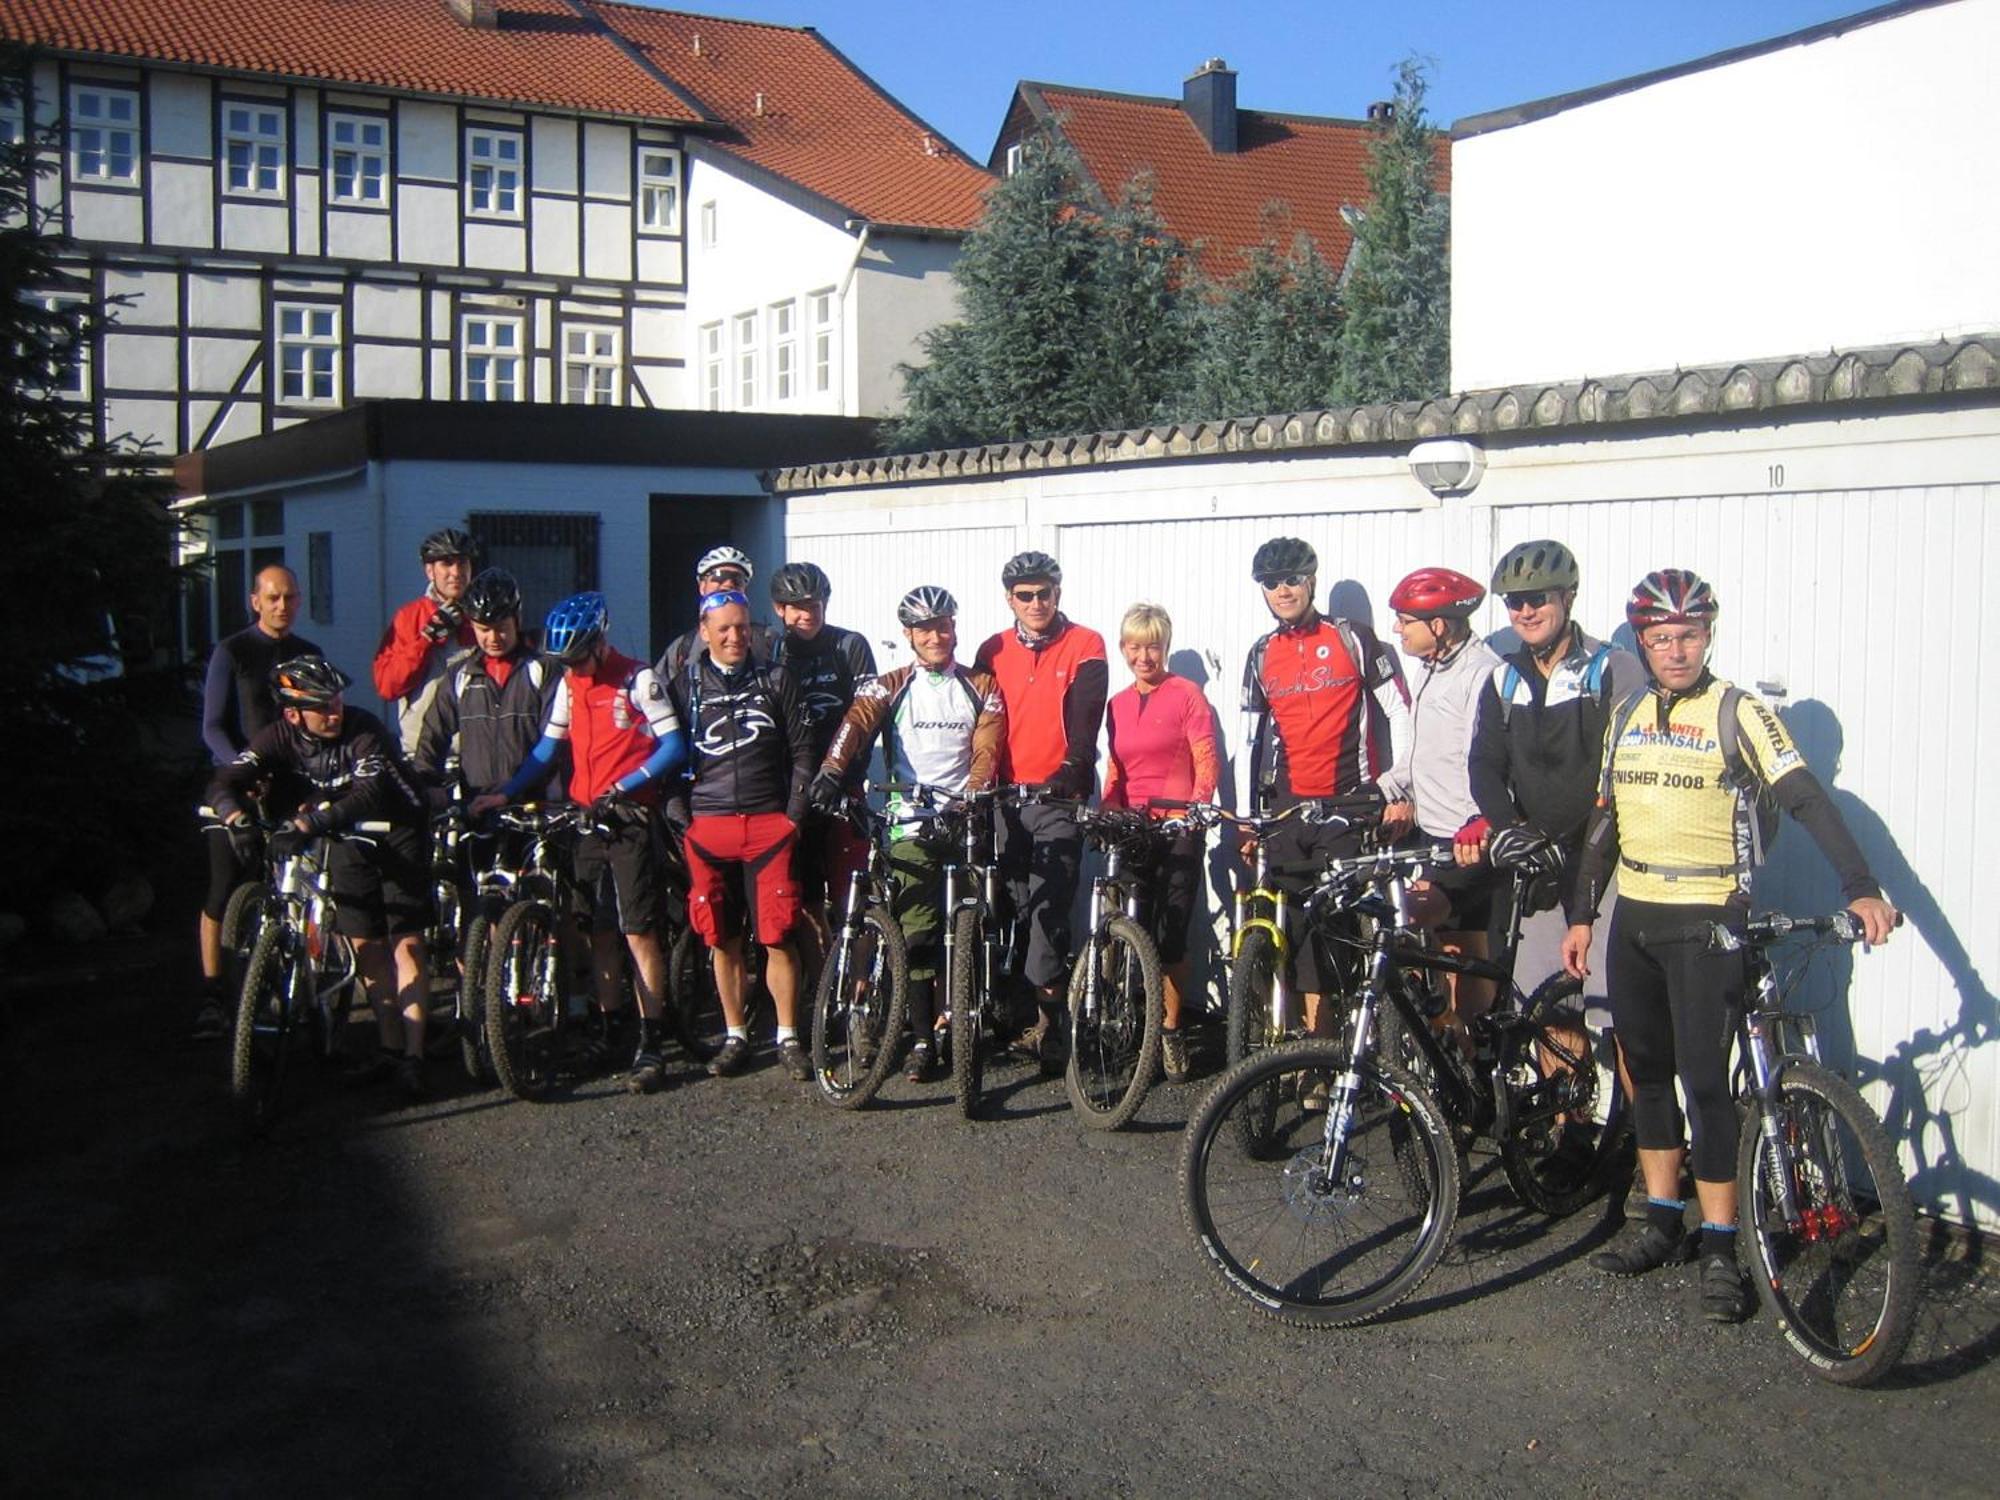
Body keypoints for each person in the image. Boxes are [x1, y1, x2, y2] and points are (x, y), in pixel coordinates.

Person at [1560, 569, 1896, 1323]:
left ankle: (1720, 1245)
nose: (1675, 650)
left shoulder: (1739, 712)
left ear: (1709, 635)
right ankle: (1661, 1223)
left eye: (1689, 635)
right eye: (1660, 638)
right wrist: (1582, 913)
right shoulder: (1627, 711)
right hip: (1637, 917)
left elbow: (1805, 795)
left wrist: (1861, 885)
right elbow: (1605, 821)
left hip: (1709, 916)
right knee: (1645, 1073)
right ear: (1641, 642)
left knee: (1706, 1084)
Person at [474, 592, 687, 1094]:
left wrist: (626, 786)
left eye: (575, 657)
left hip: (629, 817)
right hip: (584, 818)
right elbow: (548, 748)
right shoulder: (571, 684)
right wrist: (505, 791)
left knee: (640, 931)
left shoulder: (639, 680)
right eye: (563, 661)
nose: (570, 667)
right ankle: (611, 1028)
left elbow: (674, 746)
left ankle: (651, 1040)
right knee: (599, 931)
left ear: (598, 643)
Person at [209, 657, 434, 1096]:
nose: (334, 713)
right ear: (293, 714)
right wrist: (233, 815)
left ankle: (414, 1055)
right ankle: (388, 1049)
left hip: (399, 829)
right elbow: (227, 777)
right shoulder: (279, 736)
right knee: (365, 944)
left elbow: (370, 793)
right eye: (321, 707)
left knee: (405, 942)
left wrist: (311, 824)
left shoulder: (365, 729)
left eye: (336, 702)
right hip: (347, 834)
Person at [811, 585, 1005, 1081]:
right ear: (909, 635)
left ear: (955, 628)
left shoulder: (982, 684)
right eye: (925, 629)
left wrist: (974, 794)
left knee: (969, 926)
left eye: (943, 626)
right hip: (908, 822)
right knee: (917, 933)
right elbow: (855, 723)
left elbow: (987, 748)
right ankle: (921, 1037)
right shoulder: (890, 684)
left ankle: (961, 1018)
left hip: (962, 817)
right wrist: (833, 770)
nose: (936, 636)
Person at [1465, 538, 1644, 1021]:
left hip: (1603, 862)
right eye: (1515, 602)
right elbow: (1482, 763)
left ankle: (1629, 1101)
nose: (1525, 611)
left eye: (1538, 597)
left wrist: (1546, 833)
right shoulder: (1504, 679)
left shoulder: (1610, 668)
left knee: (1617, 1015)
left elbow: (1615, 771)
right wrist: (1509, 829)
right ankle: (1570, 1103)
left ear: (1568, 597)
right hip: (1540, 864)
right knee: (1548, 1012)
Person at [1239, 536, 1409, 1037]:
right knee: (1292, 925)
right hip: (1289, 806)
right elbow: (1250, 742)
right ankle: (1300, 1040)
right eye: (1272, 583)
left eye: (1292, 579)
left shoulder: (1353, 637)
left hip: (1347, 800)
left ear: (1311, 581)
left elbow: (1398, 711)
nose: (1283, 590)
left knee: (1332, 925)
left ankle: (1336, 1038)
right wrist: (1249, 819)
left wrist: (1396, 789)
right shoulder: (1261, 653)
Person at [665, 589, 816, 1081]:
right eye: (724, 628)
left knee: (777, 936)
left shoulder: (776, 677)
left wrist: (793, 814)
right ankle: (735, 1035)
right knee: (722, 938)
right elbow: (664, 752)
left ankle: (788, 1035)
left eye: (742, 627)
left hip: (769, 826)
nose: (735, 636)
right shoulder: (685, 684)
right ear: (703, 631)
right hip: (707, 828)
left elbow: (803, 751)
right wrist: (680, 817)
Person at [973, 550, 1108, 1070]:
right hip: (1005, 797)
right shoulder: (993, 649)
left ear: (1058, 593)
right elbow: (982, 726)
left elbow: (1086, 718)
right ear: (1009, 598)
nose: (1036, 603)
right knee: (1012, 901)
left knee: (1050, 906)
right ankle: (1014, 1008)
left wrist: (1072, 769)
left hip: (1056, 795)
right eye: (1024, 595)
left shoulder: (1085, 644)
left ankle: (1052, 1022)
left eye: (1044, 593)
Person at [1375, 567, 1506, 1042]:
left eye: (1405, 620)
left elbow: (1487, 756)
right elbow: (1423, 750)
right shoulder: (1429, 667)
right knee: (1461, 945)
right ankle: (1466, 1053)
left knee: (1408, 916)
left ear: (1439, 625)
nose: (1397, 629)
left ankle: (1456, 1036)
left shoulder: (1482, 673)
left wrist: (1481, 817)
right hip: (1432, 829)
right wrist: (1390, 789)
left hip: (1469, 834)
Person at [193, 563, 322, 1040]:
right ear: (255, 601)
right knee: (223, 891)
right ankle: (212, 994)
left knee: (300, 893)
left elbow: (317, 721)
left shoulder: (308, 653)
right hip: (238, 782)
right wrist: (242, 768)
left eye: (289, 598)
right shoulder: (234, 651)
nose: (281, 607)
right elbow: (211, 725)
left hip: (291, 786)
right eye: (272, 598)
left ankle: (297, 987)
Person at [1101, 603, 1218, 1083]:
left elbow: (1206, 758)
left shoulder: (1187, 694)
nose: (1143, 655)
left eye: (1152, 645)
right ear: (1123, 647)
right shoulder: (1117, 704)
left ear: (1164, 645)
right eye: (1133, 646)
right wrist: (1107, 809)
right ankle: (1133, 1027)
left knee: (1170, 937)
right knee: (1132, 931)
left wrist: (1197, 806)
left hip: (1176, 829)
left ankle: (1169, 1031)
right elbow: (1116, 769)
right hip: (1133, 830)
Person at [767, 561, 877, 949]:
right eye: (796, 606)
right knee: (807, 895)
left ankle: (860, 989)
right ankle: (823, 986)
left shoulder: (850, 646)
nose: (807, 614)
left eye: (814, 604)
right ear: (780, 609)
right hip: (795, 790)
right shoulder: (772, 652)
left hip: (843, 784)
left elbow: (869, 716)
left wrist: (847, 777)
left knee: (853, 894)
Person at [414, 568, 563, 801]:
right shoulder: (459, 674)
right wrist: (428, 785)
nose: (493, 638)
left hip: (532, 806)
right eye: (483, 629)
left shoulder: (543, 669)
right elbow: (433, 735)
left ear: (517, 620)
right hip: (476, 803)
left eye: (501, 628)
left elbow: (554, 741)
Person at [373, 527, 478, 755]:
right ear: (430, 571)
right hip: (424, 749)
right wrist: (426, 640)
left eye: (462, 563)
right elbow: (388, 686)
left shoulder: (484, 615)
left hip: (477, 750)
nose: (456, 572)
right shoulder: (409, 616)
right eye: (446, 564)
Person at [654, 544, 779, 681]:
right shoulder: (683, 648)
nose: (728, 585)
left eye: (737, 579)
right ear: (702, 586)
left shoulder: (767, 639)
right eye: (719, 577)